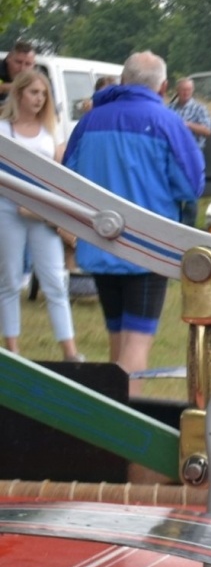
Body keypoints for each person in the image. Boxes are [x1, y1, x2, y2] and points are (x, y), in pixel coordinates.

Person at [63, 52, 203, 374]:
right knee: (137, 343)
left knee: (116, 339)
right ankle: (126, 417)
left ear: (123, 81)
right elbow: (191, 185)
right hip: (147, 246)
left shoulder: (90, 121)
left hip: (101, 242)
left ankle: (110, 413)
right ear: (164, 86)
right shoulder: (168, 122)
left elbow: (67, 177)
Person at [0, 69, 81, 361]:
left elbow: (57, 172)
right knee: (9, 279)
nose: (39, 99)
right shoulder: (3, 129)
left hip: (41, 212)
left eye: (43, 94)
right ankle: (13, 351)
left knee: (55, 280)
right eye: (34, 93)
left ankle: (70, 352)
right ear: (19, 93)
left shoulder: (50, 130)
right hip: (8, 208)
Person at [169, 77, 211, 227]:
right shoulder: (170, 109)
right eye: (183, 90)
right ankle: (174, 225)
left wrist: (187, 125)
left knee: (190, 194)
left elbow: (207, 130)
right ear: (177, 91)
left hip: (192, 157)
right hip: (172, 156)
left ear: (192, 91)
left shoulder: (200, 109)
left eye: (188, 90)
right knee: (172, 193)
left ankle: (189, 228)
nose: (185, 93)